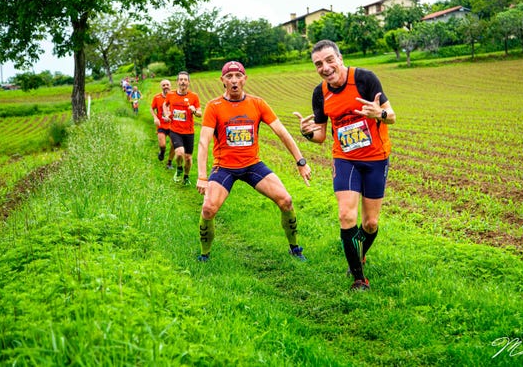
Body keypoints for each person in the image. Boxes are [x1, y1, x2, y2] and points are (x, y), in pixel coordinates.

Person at [294, 39, 396, 291]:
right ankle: (359, 277)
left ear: (340, 58)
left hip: (375, 157)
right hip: (346, 159)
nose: (325, 67)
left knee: (370, 223)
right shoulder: (320, 93)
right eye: (318, 64)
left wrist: (378, 114)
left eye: (329, 60)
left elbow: (391, 116)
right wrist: (307, 132)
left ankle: (358, 254)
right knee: (346, 215)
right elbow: (320, 137)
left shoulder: (364, 79)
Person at [196, 61, 312, 263]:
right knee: (208, 209)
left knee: (286, 200)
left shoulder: (257, 103)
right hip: (224, 168)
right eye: (229, 77)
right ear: (222, 80)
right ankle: (204, 255)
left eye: (238, 76)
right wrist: (202, 176)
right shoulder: (213, 106)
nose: (234, 81)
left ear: (245, 79)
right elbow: (203, 142)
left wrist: (300, 161)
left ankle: (295, 248)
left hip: (252, 165)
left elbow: (282, 133)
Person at [163, 71, 202, 185]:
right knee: (179, 153)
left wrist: (194, 110)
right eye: (181, 79)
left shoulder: (193, 96)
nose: (183, 81)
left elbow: (200, 113)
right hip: (175, 130)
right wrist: (166, 114)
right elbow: (165, 104)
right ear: (177, 82)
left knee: (188, 158)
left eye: (185, 79)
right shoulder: (171, 95)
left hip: (189, 132)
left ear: (188, 82)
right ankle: (179, 168)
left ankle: (186, 176)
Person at [150, 79, 175, 168]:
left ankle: (169, 162)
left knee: (174, 144)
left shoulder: (175, 96)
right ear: (161, 87)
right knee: (162, 145)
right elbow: (151, 108)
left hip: (173, 126)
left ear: (170, 85)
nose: (166, 87)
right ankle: (162, 152)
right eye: (163, 85)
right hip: (161, 125)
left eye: (167, 84)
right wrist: (155, 117)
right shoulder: (157, 97)